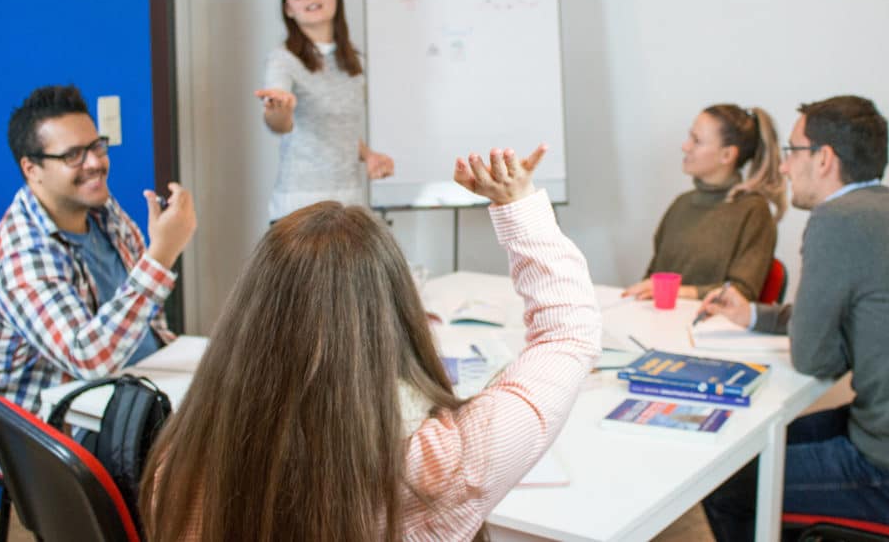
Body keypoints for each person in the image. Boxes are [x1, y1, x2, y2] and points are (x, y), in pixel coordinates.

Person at [139, 145, 602, 541]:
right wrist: (516, 203)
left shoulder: (183, 455)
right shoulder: (436, 463)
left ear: (250, 314)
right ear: (395, 318)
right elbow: (568, 333)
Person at [700, 96, 889, 539]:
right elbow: (844, 322)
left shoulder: (836, 220)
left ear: (824, 158)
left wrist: (823, 336)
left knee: (725, 478)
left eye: (791, 152)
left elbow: (815, 358)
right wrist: (752, 314)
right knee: (750, 447)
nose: (783, 168)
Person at [0, 85, 197, 464]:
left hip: (132, 384)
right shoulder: (21, 253)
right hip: (50, 429)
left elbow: (145, 314)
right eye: (74, 155)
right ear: (32, 169)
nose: (94, 163)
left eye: (96, 146)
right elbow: (89, 360)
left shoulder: (102, 209)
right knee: (202, 465)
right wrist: (162, 254)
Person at [256, 0, 394, 222]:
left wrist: (369, 156)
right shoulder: (283, 59)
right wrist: (279, 109)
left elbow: (341, 128)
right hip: (300, 206)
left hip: (349, 204)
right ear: (289, 8)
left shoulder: (354, 61)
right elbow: (279, 124)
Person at [622, 104, 786, 301]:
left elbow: (742, 291)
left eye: (696, 141)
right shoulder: (680, 204)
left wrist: (678, 292)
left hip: (709, 327)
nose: (685, 146)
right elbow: (653, 278)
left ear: (727, 155)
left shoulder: (753, 211)